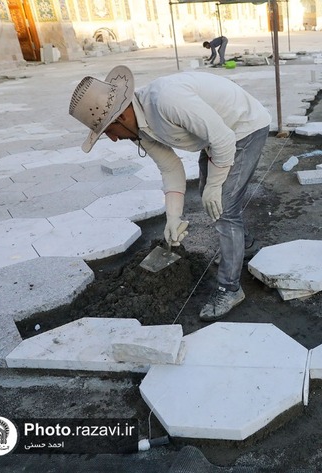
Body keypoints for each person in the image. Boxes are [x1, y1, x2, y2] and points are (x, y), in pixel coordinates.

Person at [68, 65, 271, 320]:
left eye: (108, 131)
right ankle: (245, 245)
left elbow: (223, 139)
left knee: (223, 205)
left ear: (119, 118)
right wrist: (172, 217)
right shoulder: (139, 130)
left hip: (244, 127)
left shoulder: (166, 100)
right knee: (209, 196)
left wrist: (215, 184)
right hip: (219, 136)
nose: (113, 139)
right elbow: (170, 168)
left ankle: (229, 289)